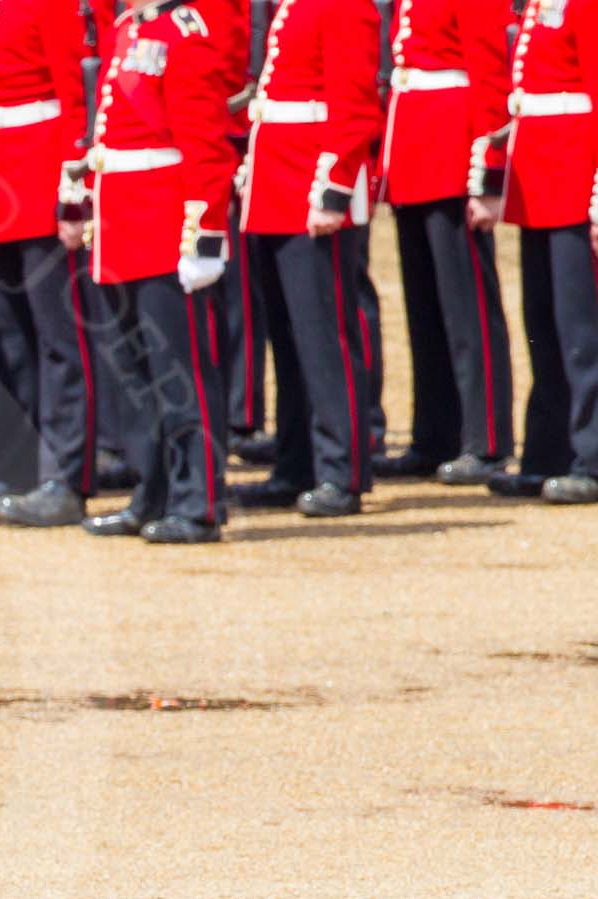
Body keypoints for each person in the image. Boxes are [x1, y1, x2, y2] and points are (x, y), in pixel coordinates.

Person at [76, 0, 237, 544]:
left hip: (166, 220)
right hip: (120, 220)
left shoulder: (184, 31)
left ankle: (201, 502)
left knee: (180, 372)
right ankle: (154, 493)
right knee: (135, 374)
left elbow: (204, 142)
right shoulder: (130, 26)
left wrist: (204, 232)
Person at [226, 0, 382, 518]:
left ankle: (343, 470)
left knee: (325, 339)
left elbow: (354, 106)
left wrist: (335, 189)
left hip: (312, 188)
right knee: (289, 341)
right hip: (276, 185)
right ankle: (297, 464)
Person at [493, 0, 598, 504]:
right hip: (538, 177)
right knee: (544, 327)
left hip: (577, 178)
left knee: (584, 331)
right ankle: (547, 454)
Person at [0, 0, 98, 529]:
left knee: (60, 342)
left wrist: (73, 193)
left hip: (40, 176)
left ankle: (67, 478)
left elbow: (75, 96)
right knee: (10, 340)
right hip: (0, 180)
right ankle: (14, 469)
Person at [375, 0, 514, 486]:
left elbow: (491, 73)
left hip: (454, 147)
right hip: (414, 146)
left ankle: (487, 440)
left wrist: (488, 174)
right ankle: (433, 435)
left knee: (467, 311)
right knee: (425, 310)